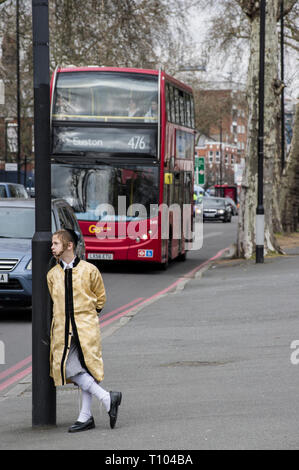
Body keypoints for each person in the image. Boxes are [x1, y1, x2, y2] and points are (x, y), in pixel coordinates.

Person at [47, 228, 122, 433]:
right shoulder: (53, 274)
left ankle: (86, 416)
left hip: (86, 329)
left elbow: (101, 299)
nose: (52, 247)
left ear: (69, 246)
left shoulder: (89, 270)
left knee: (88, 369)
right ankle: (107, 398)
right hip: (63, 331)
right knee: (70, 368)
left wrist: (88, 318)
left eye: (55, 243)